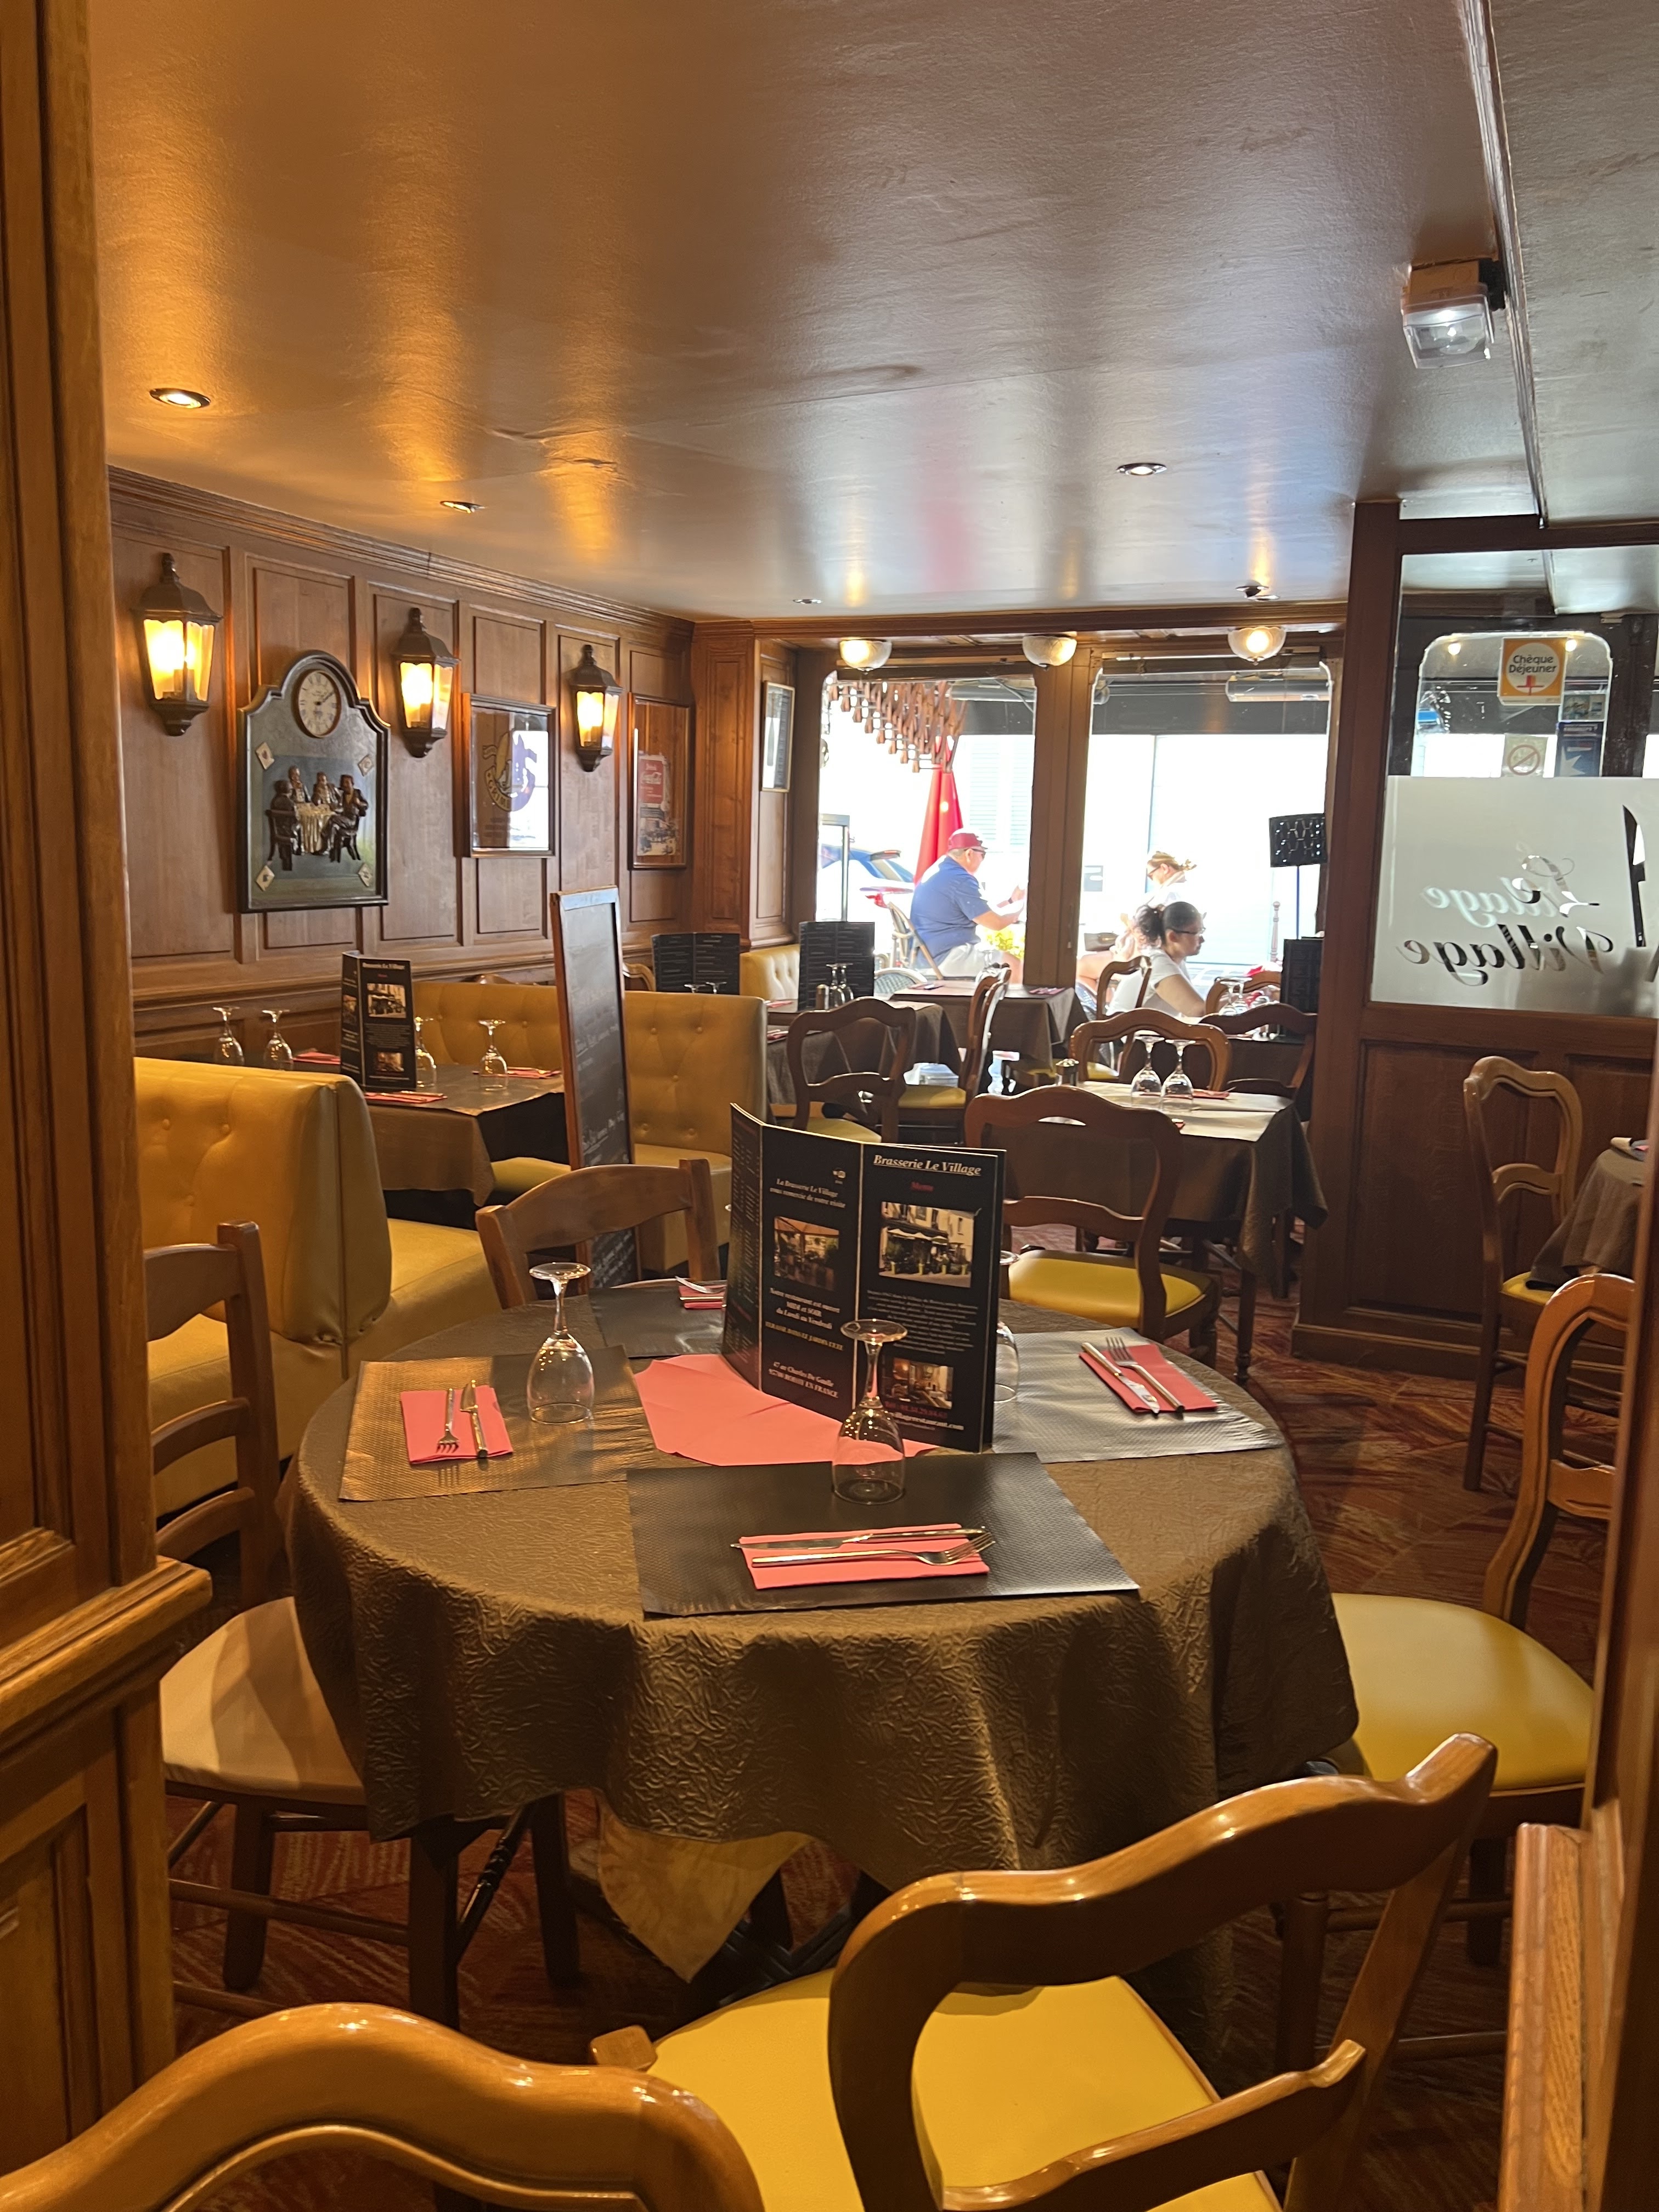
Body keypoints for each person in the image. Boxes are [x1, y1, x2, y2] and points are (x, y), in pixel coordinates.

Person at [909, 829, 1024, 975]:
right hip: (947, 956)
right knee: (1013, 966)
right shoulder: (960, 880)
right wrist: (1022, 907)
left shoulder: (941, 871)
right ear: (969, 853)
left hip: (928, 957)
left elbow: (982, 913)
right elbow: (996, 923)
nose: (982, 860)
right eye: (983, 854)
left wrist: (1011, 901)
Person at [1109, 900, 1206, 1015]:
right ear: (1173, 936)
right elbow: (1198, 1011)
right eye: (1196, 933)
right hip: (1126, 1027)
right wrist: (1224, 994)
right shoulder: (1158, 963)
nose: (1202, 940)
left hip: (1146, 1026)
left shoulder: (1176, 962)